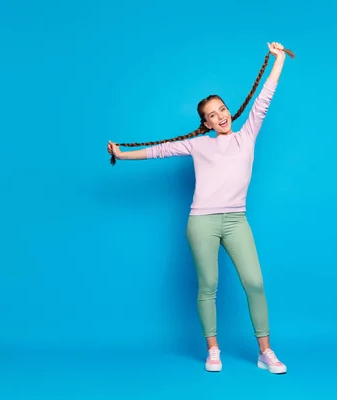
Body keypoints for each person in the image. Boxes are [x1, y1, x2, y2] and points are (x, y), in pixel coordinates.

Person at [107, 42, 293, 374]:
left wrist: (278, 59)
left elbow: (265, 98)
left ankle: (265, 352)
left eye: (222, 109)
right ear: (205, 123)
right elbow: (159, 151)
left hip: (236, 220)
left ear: (228, 110)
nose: (219, 116)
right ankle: (213, 350)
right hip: (201, 223)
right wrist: (122, 155)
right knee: (208, 286)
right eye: (212, 115)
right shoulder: (197, 145)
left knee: (255, 283)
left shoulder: (247, 135)